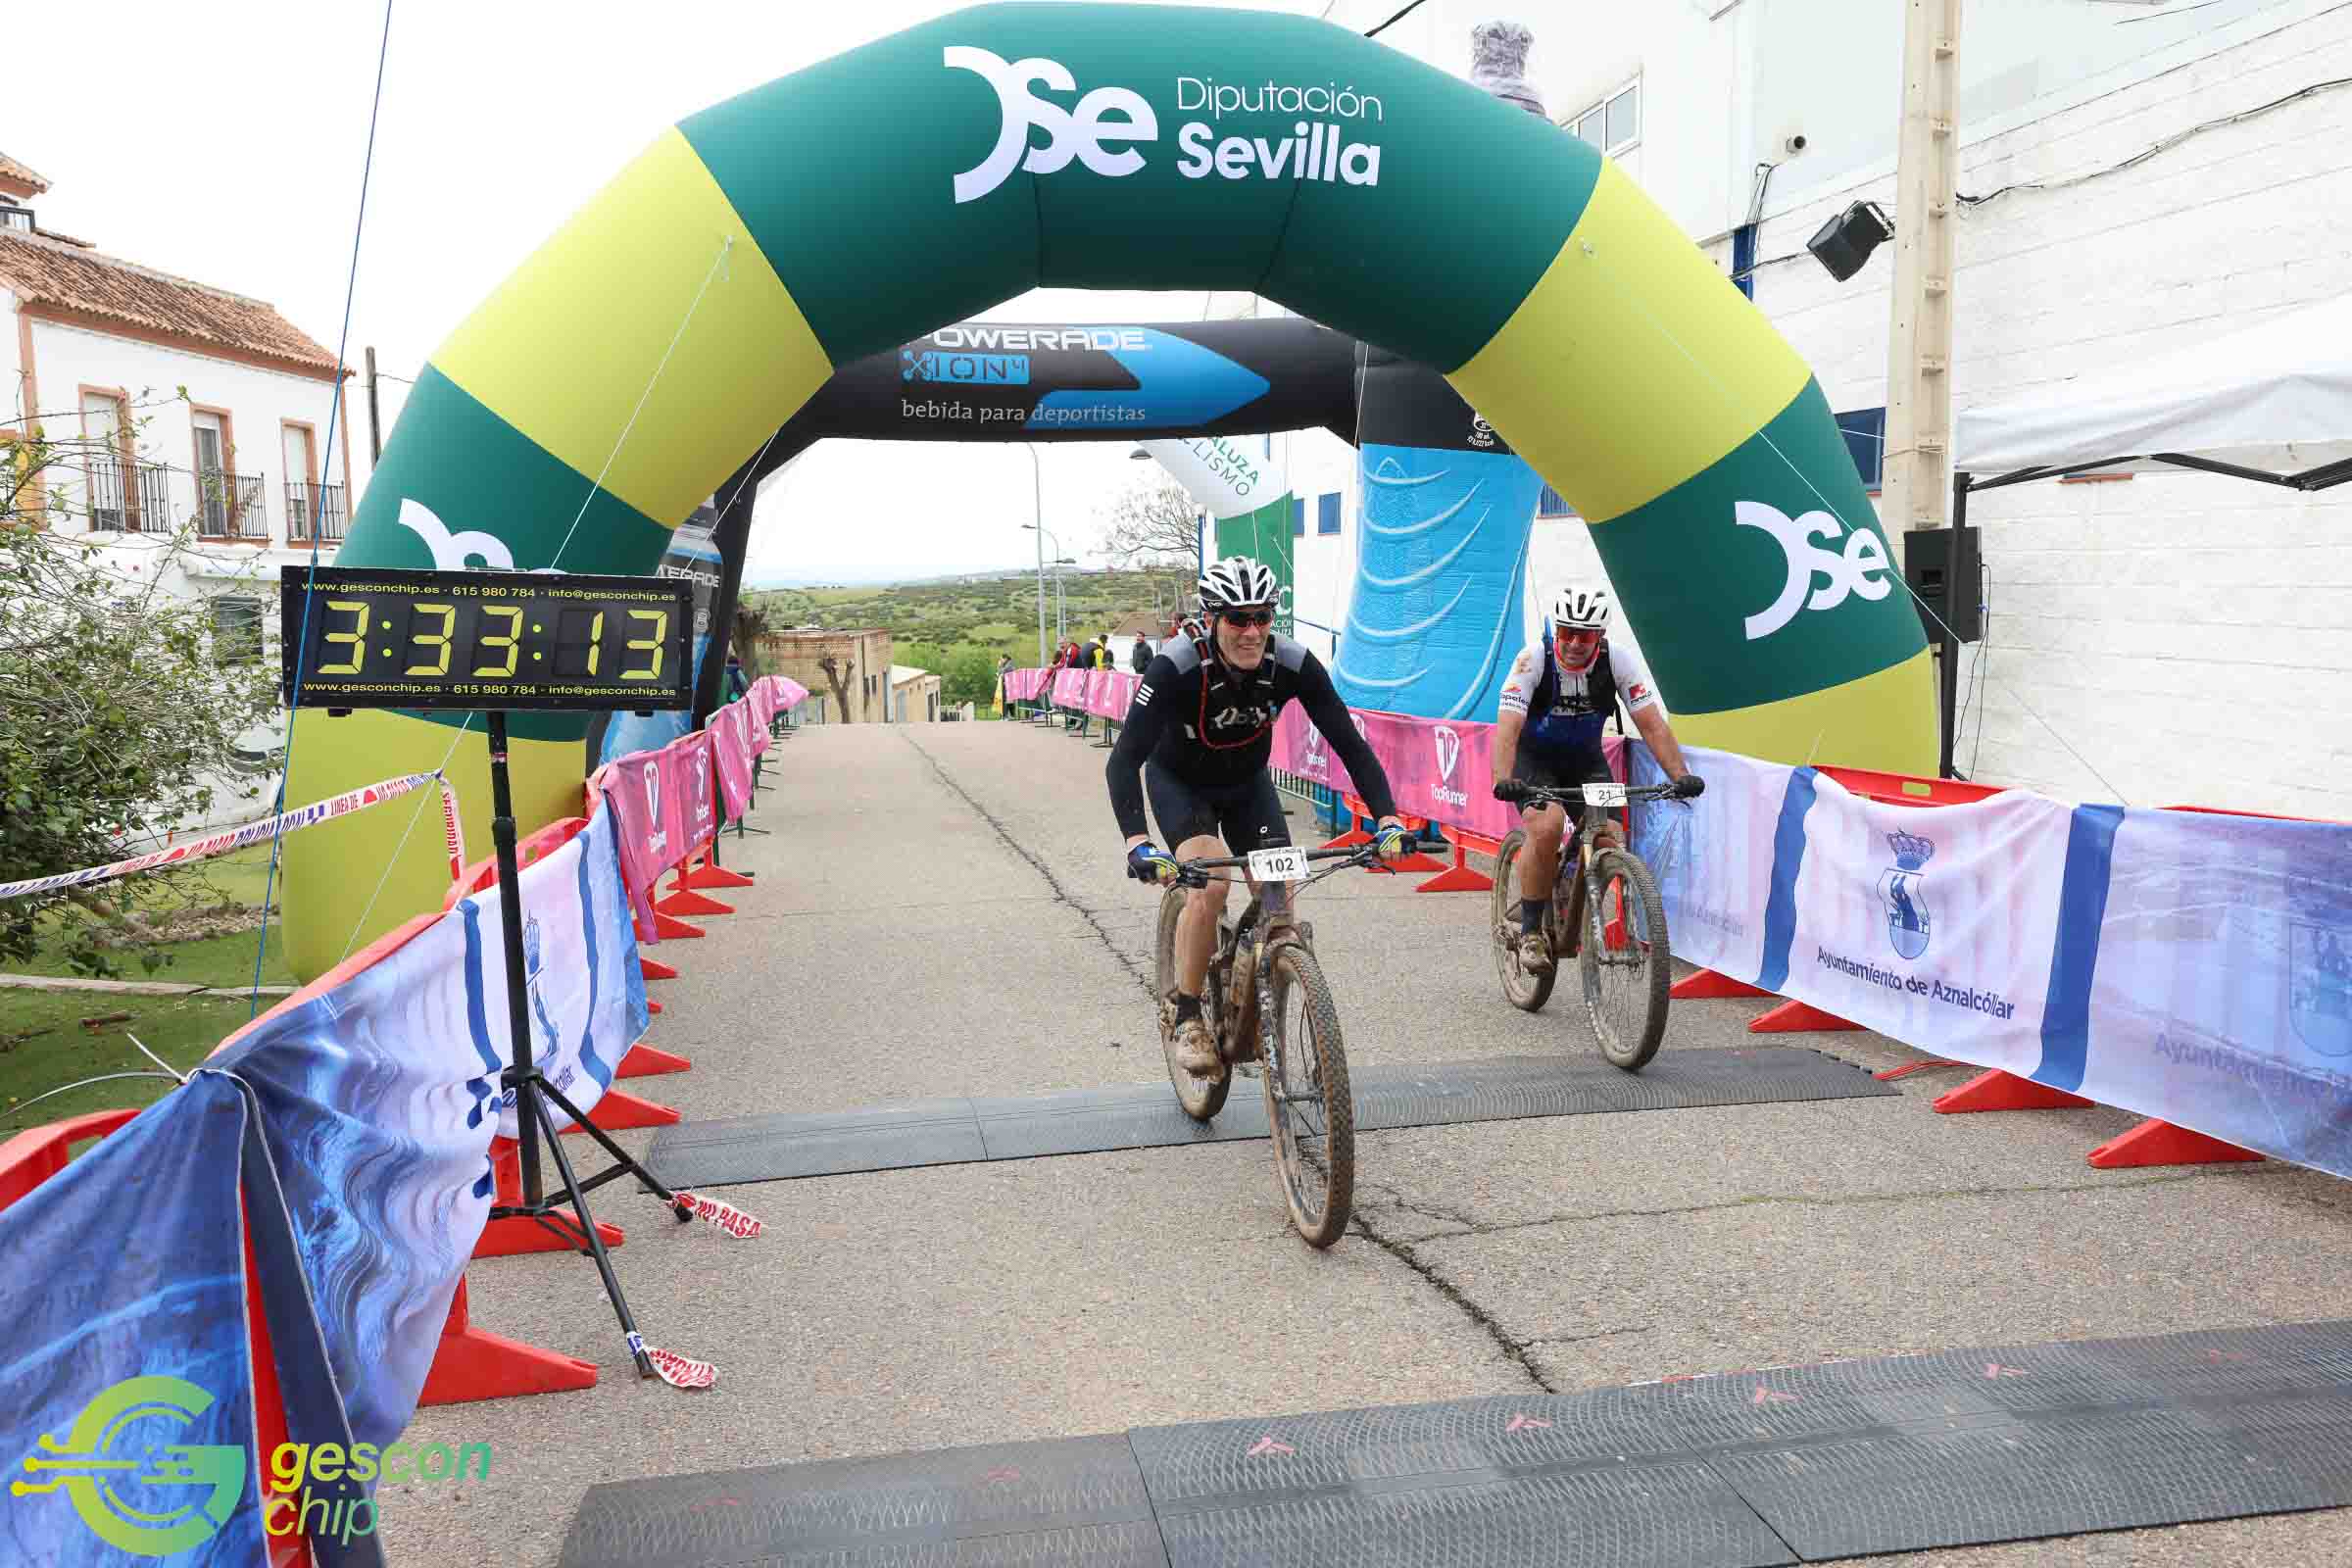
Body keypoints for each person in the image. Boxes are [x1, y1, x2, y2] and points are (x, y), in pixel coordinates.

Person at [1109, 557, 1414, 1074]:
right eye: (1237, 618)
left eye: (1263, 618)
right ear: (1211, 619)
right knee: (1212, 885)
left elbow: (1349, 744)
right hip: (1181, 784)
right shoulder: (1175, 666)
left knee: (1280, 904)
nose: (1252, 631)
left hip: (1247, 785)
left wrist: (1387, 820)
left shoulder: (1292, 663)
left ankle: (1266, 1007)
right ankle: (1187, 1013)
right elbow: (1123, 760)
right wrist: (1138, 841)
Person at [1491, 582, 1704, 976]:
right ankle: (1532, 932)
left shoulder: (1617, 661)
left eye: (1585, 636)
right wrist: (1504, 778)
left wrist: (1681, 776)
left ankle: (1568, 879)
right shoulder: (1533, 659)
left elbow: (1652, 724)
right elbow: (1508, 726)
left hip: (1585, 760)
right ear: (1556, 631)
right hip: (1535, 760)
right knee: (1547, 826)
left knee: (1609, 838)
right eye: (1567, 632)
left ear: (1600, 636)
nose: (1574, 643)